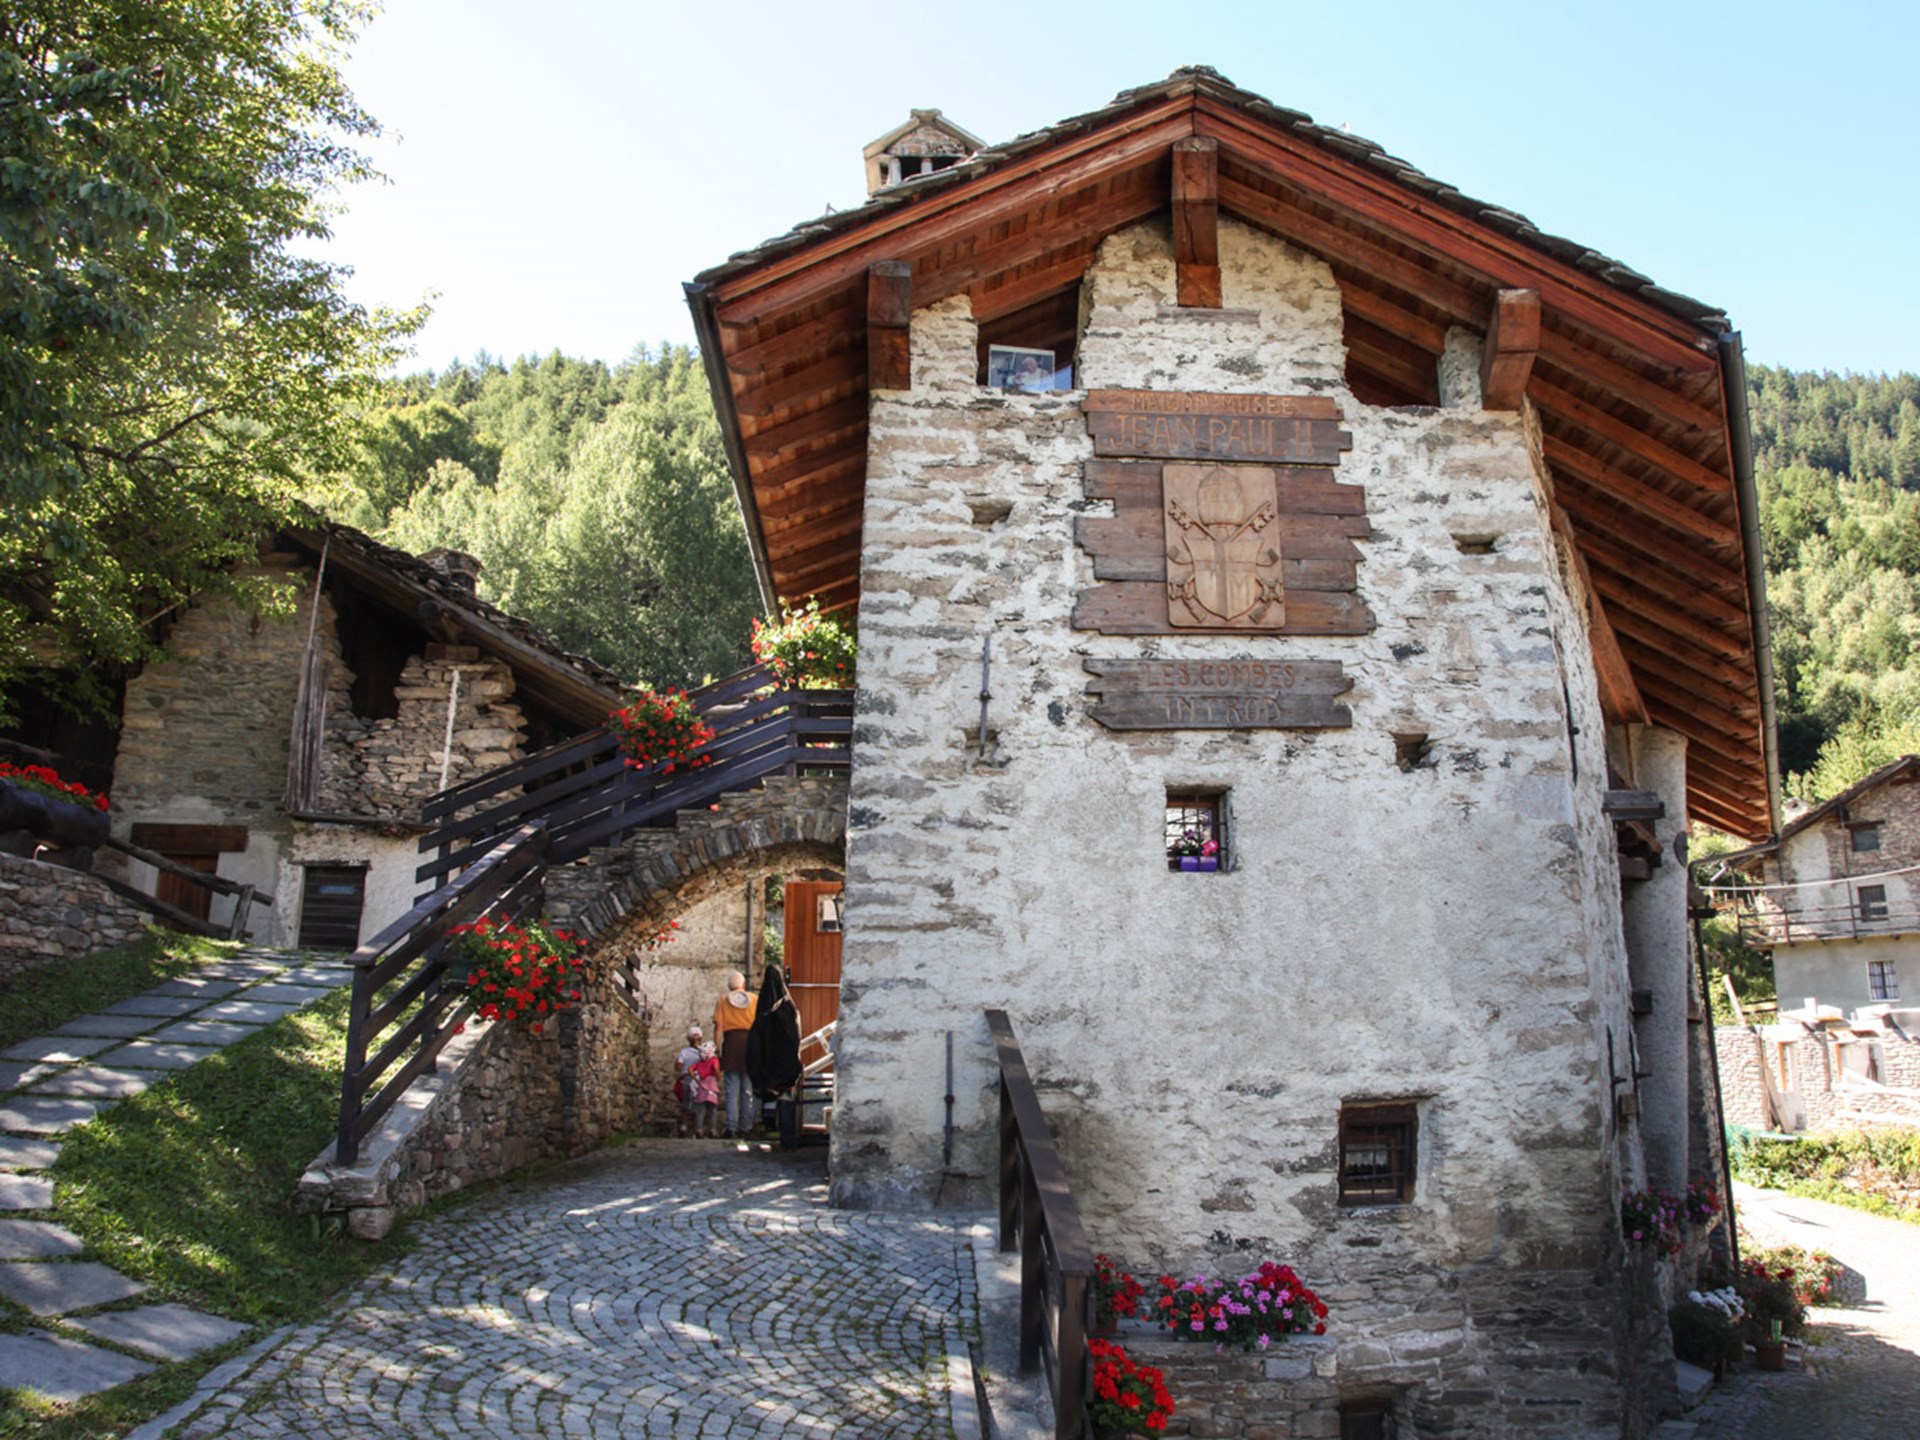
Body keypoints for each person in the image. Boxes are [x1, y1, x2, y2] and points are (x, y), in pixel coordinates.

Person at [713, 970, 758, 1137]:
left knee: (732, 1089)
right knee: (748, 1089)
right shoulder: (754, 999)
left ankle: (731, 1127)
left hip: (731, 1044)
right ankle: (746, 1127)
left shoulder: (722, 1000)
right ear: (743, 984)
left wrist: (717, 1049)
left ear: (729, 985)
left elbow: (719, 1028)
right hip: (750, 1044)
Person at [674, 1025, 705, 1138]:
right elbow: (678, 1066)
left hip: (696, 1079)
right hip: (692, 1078)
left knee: (693, 1104)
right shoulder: (687, 1051)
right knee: (690, 1103)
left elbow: (678, 1066)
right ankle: (689, 1128)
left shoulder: (702, 1051)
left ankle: (694, 1128)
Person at [690, 1040, 721, 1138]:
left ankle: (699, 1129)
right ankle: (712, 1129)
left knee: (701, 1110)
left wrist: (695, 1078)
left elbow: (690, 1069)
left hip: (702, 1085)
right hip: (711, 1085)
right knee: (712, 1110)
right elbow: (716, 1068)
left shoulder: (699, 1063)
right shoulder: (714, 1060)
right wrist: (718, 1077)